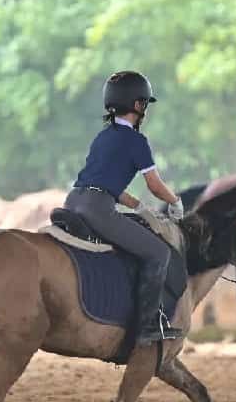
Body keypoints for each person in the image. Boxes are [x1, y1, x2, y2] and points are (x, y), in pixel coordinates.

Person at [64, 70, 184, 346]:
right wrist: (174, 201)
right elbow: (154, 184)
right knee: (158, 252)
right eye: (145, 105)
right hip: (98, 209)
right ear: (139, 105)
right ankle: (147, 325)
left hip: (74, 201)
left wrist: (140, 207)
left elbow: (108, 185)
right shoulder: (136, 141)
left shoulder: (102, 137)